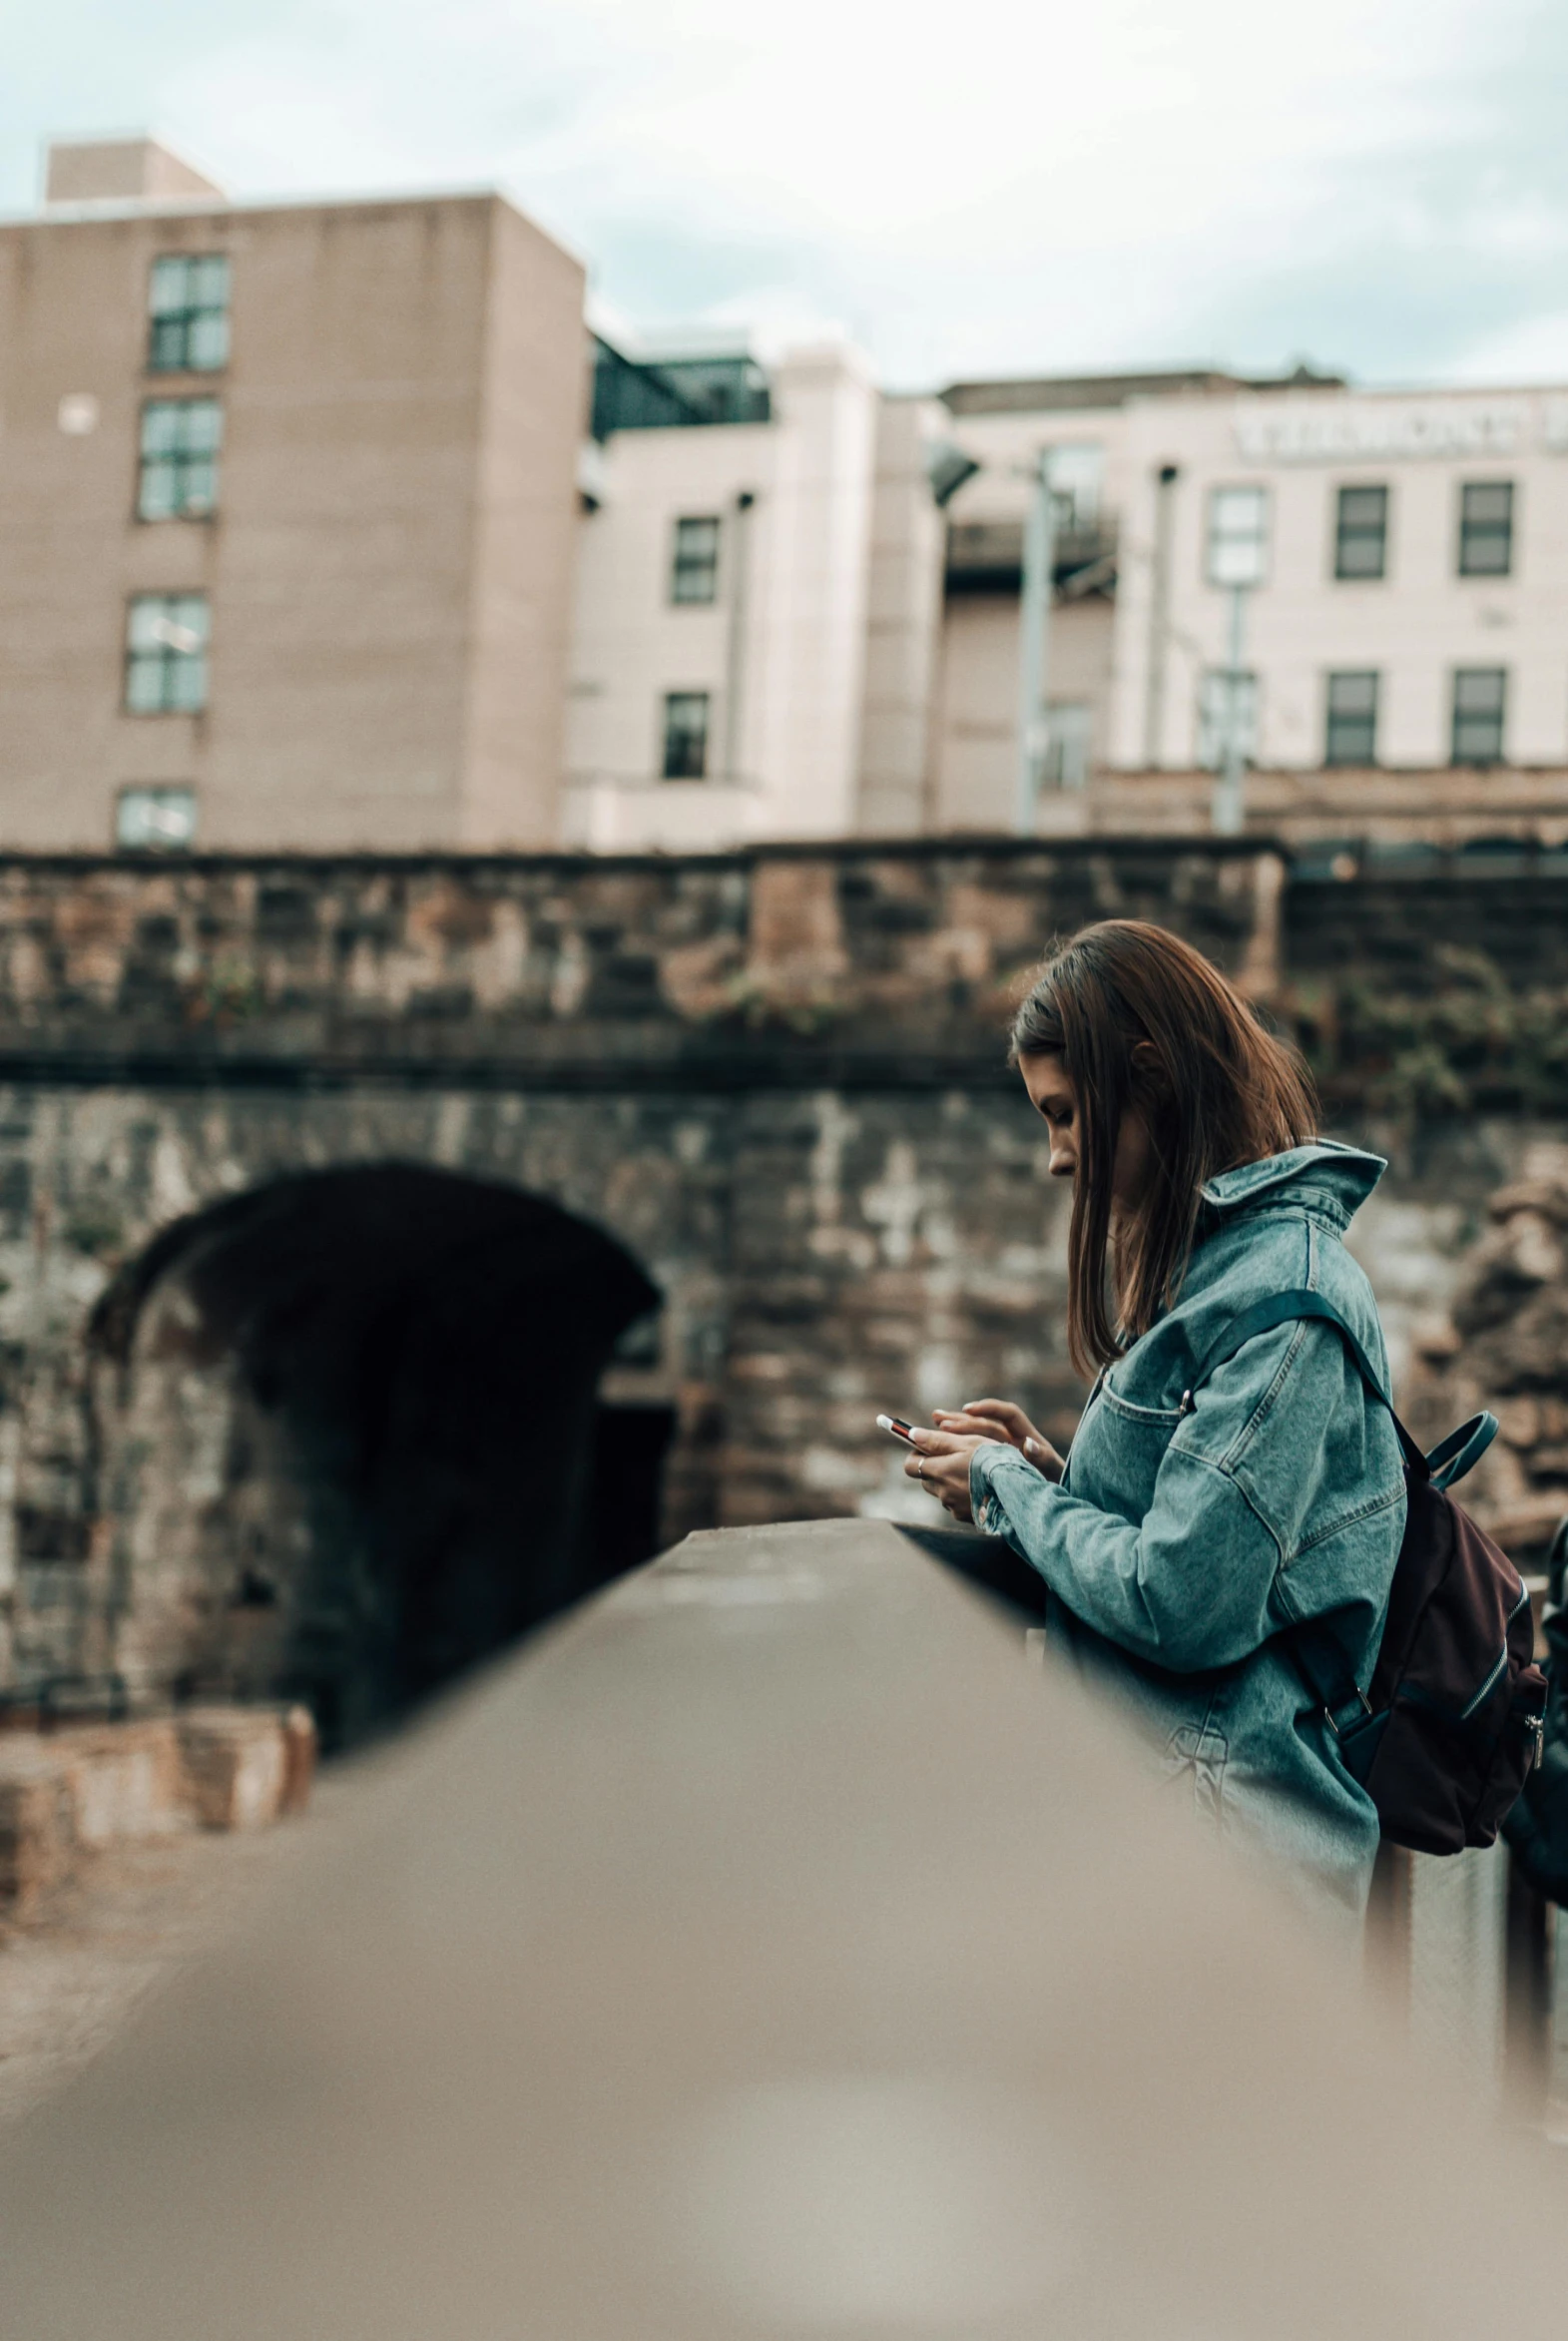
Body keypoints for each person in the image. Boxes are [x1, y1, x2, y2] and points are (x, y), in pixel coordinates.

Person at [904, 919, 1404, 1920]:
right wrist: (1049, 1474)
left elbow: (1183, 1598)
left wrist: (1005, 1494)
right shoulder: (1219, 1273)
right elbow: (1201, 1525)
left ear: (1149, 1081)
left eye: (1062, 1116)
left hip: (1228, 1858)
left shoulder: (1283, 1299)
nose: (1054, 1158)